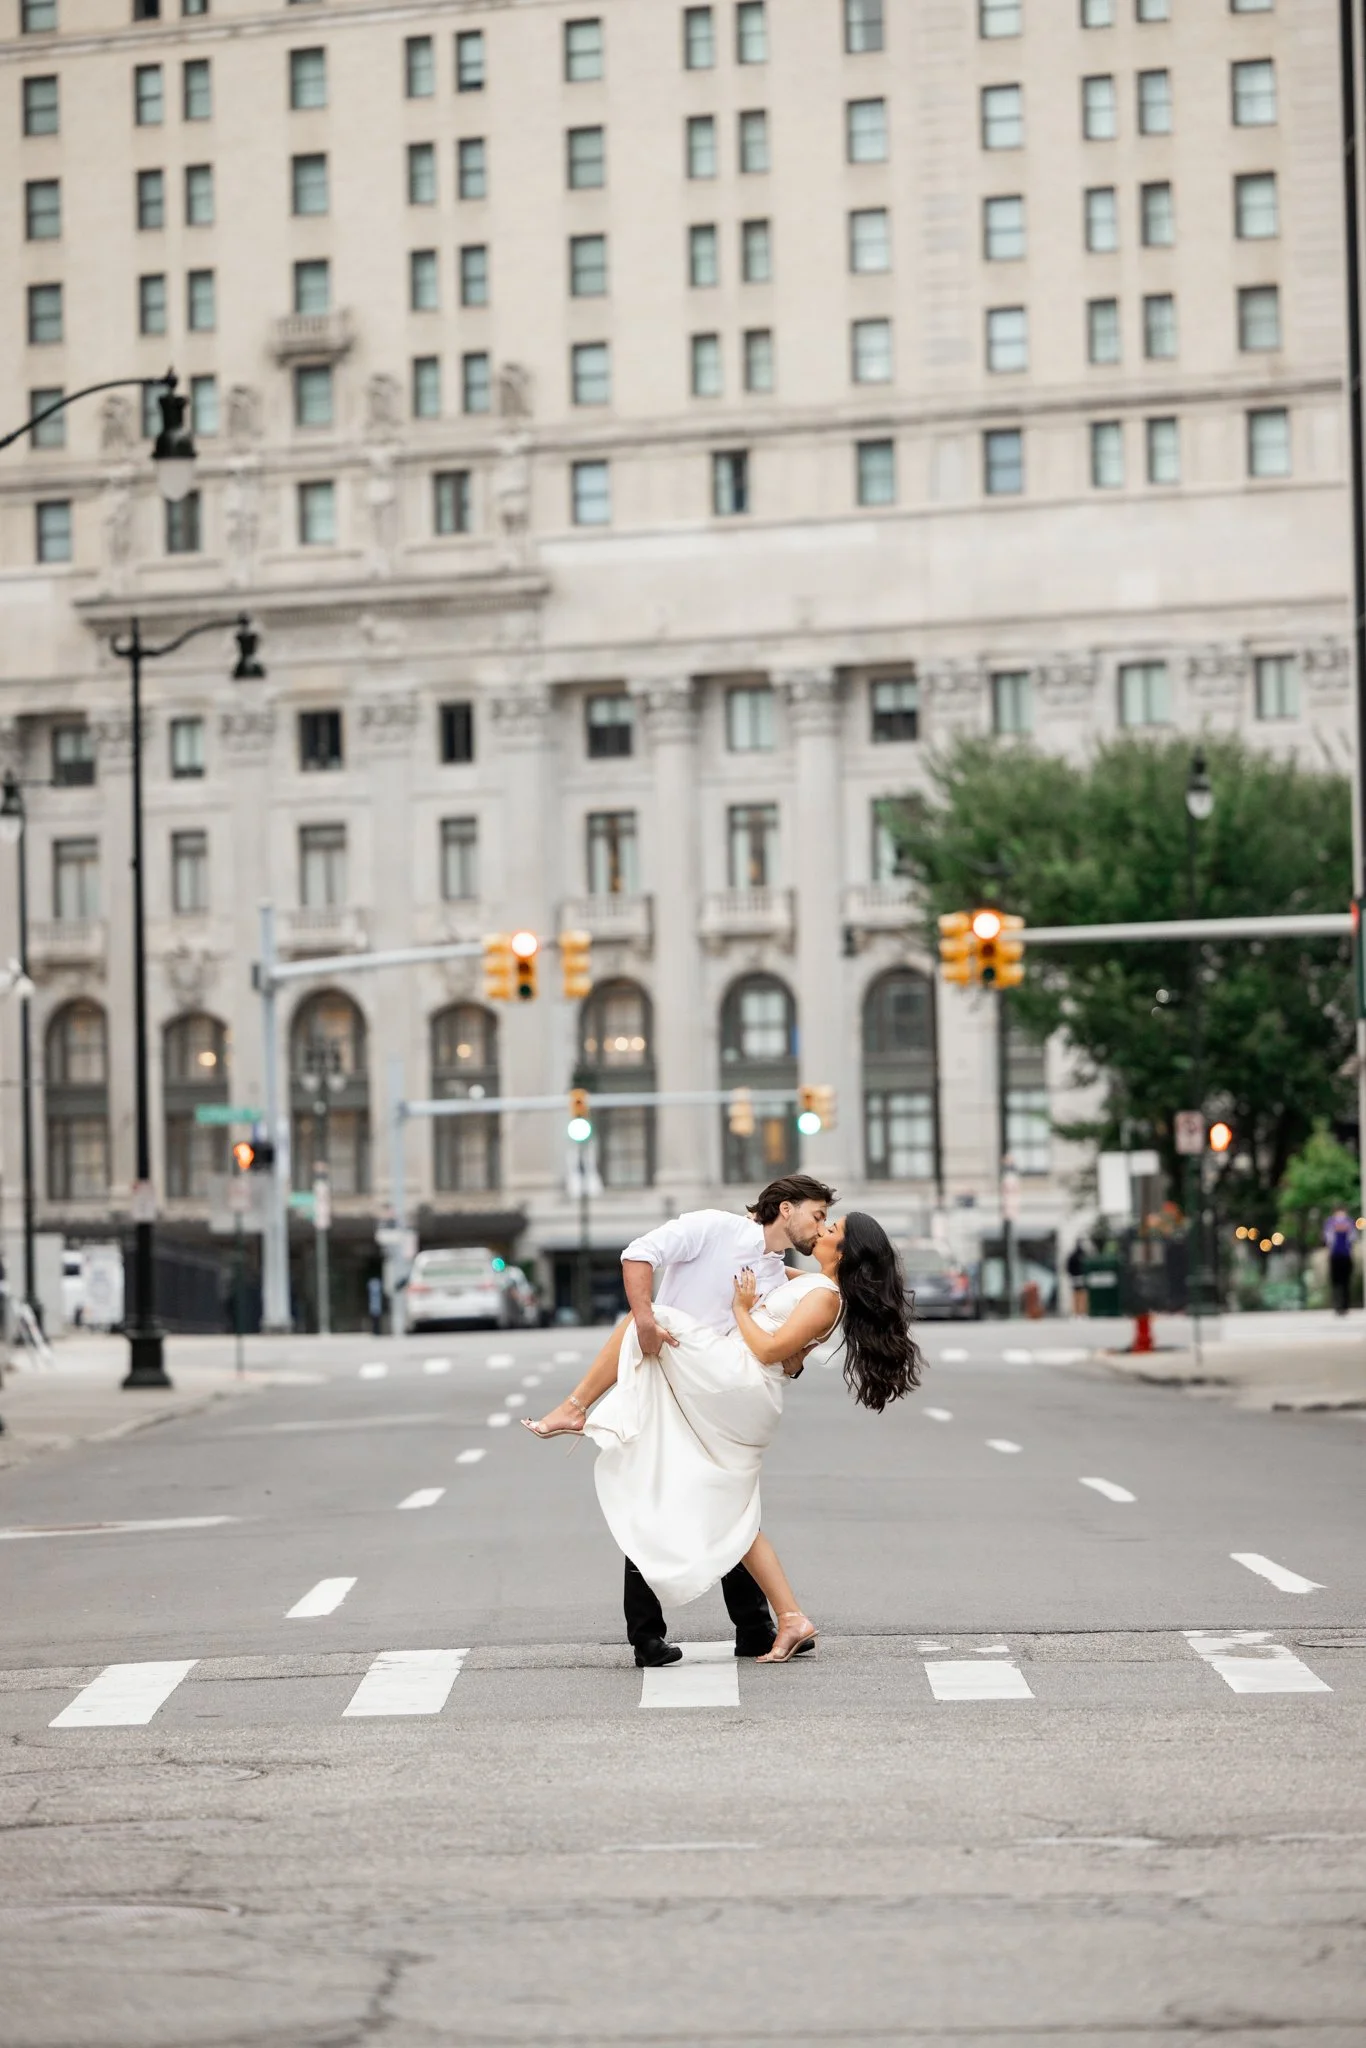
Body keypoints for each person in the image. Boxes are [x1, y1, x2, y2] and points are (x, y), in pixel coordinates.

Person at [526, 1197, 923, 1667]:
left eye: (831, 1226)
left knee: (649, 1319)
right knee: (716, 1500)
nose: (822, 1229)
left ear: (847, 1249)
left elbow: (772, 1349)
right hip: (736, 1383)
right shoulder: (808, 1282)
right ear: (787, 1208)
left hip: (741, 1380)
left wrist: (739, 1309)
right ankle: (777, 1620)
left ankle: (576, 1407)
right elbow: (782, 1314)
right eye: (821, 1218)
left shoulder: (824, 1296)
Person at [1323, 1207, 1356, 1317]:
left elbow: (1352, 1238)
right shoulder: (1332, 1223)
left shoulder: (1347, 1222)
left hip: (1343, 1255)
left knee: (1342, 1282)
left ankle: (1342, 1306)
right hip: (1338, 1255)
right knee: (1339, 1282)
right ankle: (1340, 1305)